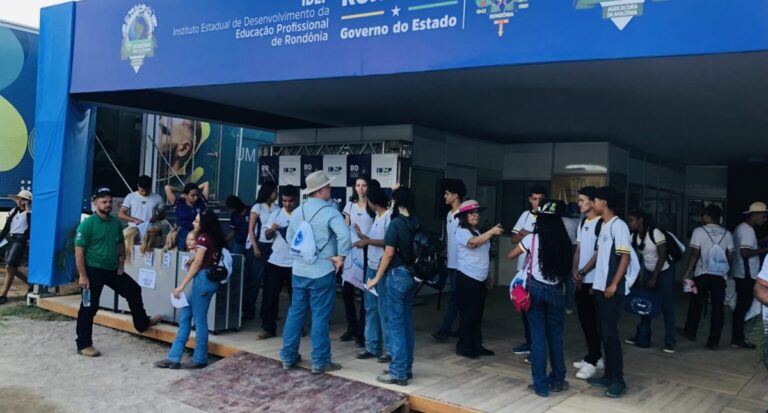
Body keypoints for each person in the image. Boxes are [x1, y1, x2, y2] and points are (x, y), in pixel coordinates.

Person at [75, 188, 161, 357]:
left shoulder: (115, 223)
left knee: (133, 290)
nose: (107, 205)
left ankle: (142, 323)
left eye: (109, 202)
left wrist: (121, 258)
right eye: (103, 202)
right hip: (93, 270)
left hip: (112, 269)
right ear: (95, 204)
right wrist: (83, 275)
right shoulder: (87, 225)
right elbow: (79, 251)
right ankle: (83, 344)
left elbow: (120, 241)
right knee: (88, 307)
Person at [280, 171, 351, 375]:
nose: (330, 189)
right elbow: (344, 235)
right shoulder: (330, 212)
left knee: (296, 312)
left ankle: (288, 356)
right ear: (320, 191)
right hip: (322, 270)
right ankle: (320, 361)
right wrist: (341, 257)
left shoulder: (297, 212)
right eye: (328, 187)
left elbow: (291, 238)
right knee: (320, 315)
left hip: (300, 269)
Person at [509, 202, 571, 397]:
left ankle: (540, 386)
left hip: (534, 291)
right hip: (555, 291)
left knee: (538, 339)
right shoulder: (564, 241)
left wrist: (525, 240)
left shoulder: (532, 240)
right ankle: (558, 380)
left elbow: (511, 255)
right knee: (555, 338)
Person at [155, 211, 225, 369]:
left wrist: (181, 286)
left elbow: (198, 263)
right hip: (207, 280)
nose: (194, 223)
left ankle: (200, 358)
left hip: (202, 281)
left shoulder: (203, 237)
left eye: (197, 221)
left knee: (199, 320)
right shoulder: (213, 237)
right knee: (186, 316)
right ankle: (174, 357)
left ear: (203, 223)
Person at [587, 187, 635, 398]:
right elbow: (600, 255)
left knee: (610, 334)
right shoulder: (604, 225)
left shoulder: (619, 226)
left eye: (594, 200)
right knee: (602, 332)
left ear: (603, 203)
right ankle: (607, 374)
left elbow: (625, 257)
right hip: (600, 288)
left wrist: (614, 284)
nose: (592, 204)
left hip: (611, 289)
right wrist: (585, 273)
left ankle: (618, 380)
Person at [367, 187, 418, 386]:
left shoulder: (396, 224)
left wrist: (376, 278)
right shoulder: (415, 221)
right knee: (406, 323)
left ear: (395, 201)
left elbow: (388, 254)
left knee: (395, 324)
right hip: (411, 276)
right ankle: (406, 367)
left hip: (396, 276)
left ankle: (398, 372)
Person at [679, 204, 735, 350]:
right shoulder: (727, 233)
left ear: (708, 216)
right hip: (719, 276)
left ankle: (690, 331)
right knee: (718, 308)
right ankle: (714, 341)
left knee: (696, 304)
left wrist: (687, 272)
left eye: (704, 215)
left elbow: (695, 254)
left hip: (702, 274)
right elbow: (730, 256)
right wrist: (725, 271)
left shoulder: (699, 231)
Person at [454, 200, 504, 359]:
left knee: (477, 314)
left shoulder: (478, 231)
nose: (476, 215)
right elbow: (472, 244)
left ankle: (476, 344)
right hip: (468, 278)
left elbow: (484, 254)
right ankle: (464, 347)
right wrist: (491, 232)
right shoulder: (462, 231)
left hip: (479, 278)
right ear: (464, 216)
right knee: (468, 314)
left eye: (477, 212)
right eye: (471, 213)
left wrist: (488, 275)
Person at [626, 210, 676, 353]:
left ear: (640, 220)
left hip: (664, 271)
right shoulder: (634, 236)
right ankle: (642, 335)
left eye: (632, 220)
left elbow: (662, 257)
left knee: (667, 305)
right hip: (649, 270)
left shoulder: (655, 233)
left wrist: (654, 277)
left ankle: (670, 341)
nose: (630, 223)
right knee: (645, 303)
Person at [354, 187, 393, 362]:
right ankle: (372, 346)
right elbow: (372, 239)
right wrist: (362, 236)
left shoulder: (389, 217)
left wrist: (367, 241)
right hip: (371, 266)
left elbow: (388, 242)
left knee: (383, 310)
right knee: (370, 308)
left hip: (382, 269)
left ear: (373, 201)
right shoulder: (378, 216)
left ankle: (390, 350)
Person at [255, 185, 299, 340]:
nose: (287, 204)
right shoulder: (276, 213)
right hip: (276, 261)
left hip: (296, 263)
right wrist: (271, 230)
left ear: (297, 198)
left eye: (291, 201)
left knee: (297, 298)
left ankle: (297, 328)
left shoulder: (301, 215)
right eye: (285, 200)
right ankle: (268, 328)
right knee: (270, 296)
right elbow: (266, 236)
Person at [571, 186, 604, 380]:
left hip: (594, 281)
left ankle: (593, 360)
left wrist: (583, 272)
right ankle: (595, 355)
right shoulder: (583, 222)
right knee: (584, 320)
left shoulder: (602, 224)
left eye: (583, 200)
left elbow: (599, 254)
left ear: (593, 201)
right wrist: (575, 271)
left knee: (594, 322)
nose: (580, 203)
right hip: (581, 279)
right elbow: (579, 249)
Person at [510, 185, 547, 357]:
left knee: (538, 311)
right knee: (524, 306)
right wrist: (525, 236)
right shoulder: (525, 216)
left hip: (540, 271)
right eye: (534, 198)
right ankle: (529, 341)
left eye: (540, 199)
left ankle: (537, 347)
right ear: (529, 199)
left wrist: (529, 235)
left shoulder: (548, 217)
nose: (537, 202)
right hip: (523, 270)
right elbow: (513, 239)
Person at [340, 176, 374, 345]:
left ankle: (362, 332)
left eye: (364, 185)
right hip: (352, 251)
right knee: (347, 291)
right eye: (358, 185)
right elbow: (345, 229)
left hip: (367, 251)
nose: (361, 188)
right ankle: (351, 327)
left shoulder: (372, 207)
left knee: (364, 293)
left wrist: (364, 239)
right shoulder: (350, 206)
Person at [432, 179, 467, 342]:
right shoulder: (448, 214)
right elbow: (450, 238)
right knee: (457, 297)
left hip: (462, 265)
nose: (444, 196)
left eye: (447, 194)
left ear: (456, 195)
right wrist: (445, 251)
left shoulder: (465, 213)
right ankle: (460, 328)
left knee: (455, 297)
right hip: (450, 262)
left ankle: (445, 329)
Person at [730, 202, 768, 349]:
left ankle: (738, 336)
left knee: (742, 305)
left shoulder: (743, 228)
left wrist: (762, 242)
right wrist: (765, 249)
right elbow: (745, 252)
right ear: (755, 214)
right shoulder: (748, 231)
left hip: (741, 273)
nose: (764, 219)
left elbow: (748, 245)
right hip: (746, 275)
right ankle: (738, 337)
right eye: (763, 216)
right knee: (742, 306)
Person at [244, 182, 278, 321]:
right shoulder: (257, 207)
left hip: (272, 246)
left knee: (271, 282)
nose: (276, 194)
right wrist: (255, 247)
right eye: (274, 191)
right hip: (258, 246)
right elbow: (251, 229)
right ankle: (248, 309)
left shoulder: (277, 208)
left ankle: (268, 312)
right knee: (254, 280)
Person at [0, 190, 32, 304]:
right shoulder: (13, 211)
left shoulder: (31, 212)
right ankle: (31, 285)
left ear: (28, 202)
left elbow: (31, 227)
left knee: (10, 266)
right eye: (19, 199)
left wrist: (28, 212)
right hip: (11, 239)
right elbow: (7, 228)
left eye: (23, 199)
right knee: (12, 268)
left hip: (21, 240)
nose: (19, 201)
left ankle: (3, 295)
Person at [165, 183, 208, 251]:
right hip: (182, 234)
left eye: (197, 195)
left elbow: (206, 184)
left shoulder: (201, 202)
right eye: (192, 195)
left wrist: (193, 190)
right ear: (185, 195)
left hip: (197, 233)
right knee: (182, 252)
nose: (196, 197)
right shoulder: (179, 203)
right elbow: (167, 187)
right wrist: (183, 190)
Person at [558, 200, 579, 314]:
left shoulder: (558, 221)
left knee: (559, 280)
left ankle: (558, 305)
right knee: (570, 281)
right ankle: (569, 307)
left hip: (560, 250)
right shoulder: (576, 223)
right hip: (572, 249)